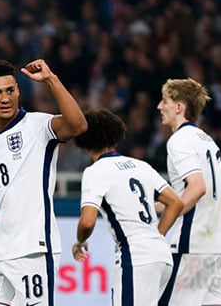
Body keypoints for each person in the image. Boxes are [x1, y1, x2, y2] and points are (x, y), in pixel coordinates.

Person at [0, 59, 88, 305]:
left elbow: (78, 125)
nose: (5, 98)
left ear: (18, 91)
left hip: (34, 249)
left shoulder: (38, 125)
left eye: (10, 90)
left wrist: (51, 79)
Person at [72, 108, 184, 306]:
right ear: (116, 135)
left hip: (136, 258)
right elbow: (176, 202)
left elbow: (88, 221)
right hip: (163, 257)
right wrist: (157, 235)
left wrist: (80, 241)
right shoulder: (140, 165)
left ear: (84, 142)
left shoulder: (95, 172)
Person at [157, 78, 221, 306]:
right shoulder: (208, 141)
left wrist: (158, 233)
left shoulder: (179, 141)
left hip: (194, 248)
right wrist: (153, 205)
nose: (159, 107)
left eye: (165, 101)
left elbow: (197, 188)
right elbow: (197, 191)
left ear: (179, 107)